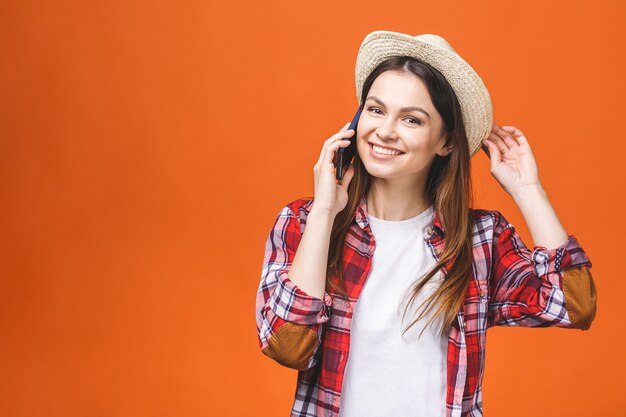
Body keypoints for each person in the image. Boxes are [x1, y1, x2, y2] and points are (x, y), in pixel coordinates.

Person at [255, 30, 597, 417]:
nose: (384, 131)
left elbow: (574, 305)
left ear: (446, 142)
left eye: (412, 120)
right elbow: (288, 347)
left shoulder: (480, 240)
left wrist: (528, 189)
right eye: (376, 109)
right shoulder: (304, 223)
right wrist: (324, 213)